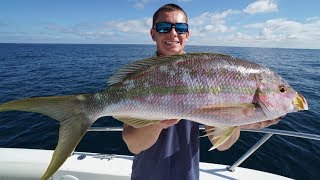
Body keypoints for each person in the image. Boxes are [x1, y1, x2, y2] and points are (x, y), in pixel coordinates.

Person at [122, 3, 281, 180]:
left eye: (180, 28)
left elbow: (223, 145)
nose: (173, 33)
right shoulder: (141, 78)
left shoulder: (207, 74)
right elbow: (134, 145)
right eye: (164, 27)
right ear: (153, 34)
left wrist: (238, 119)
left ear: (187, 35)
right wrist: (159, 122)